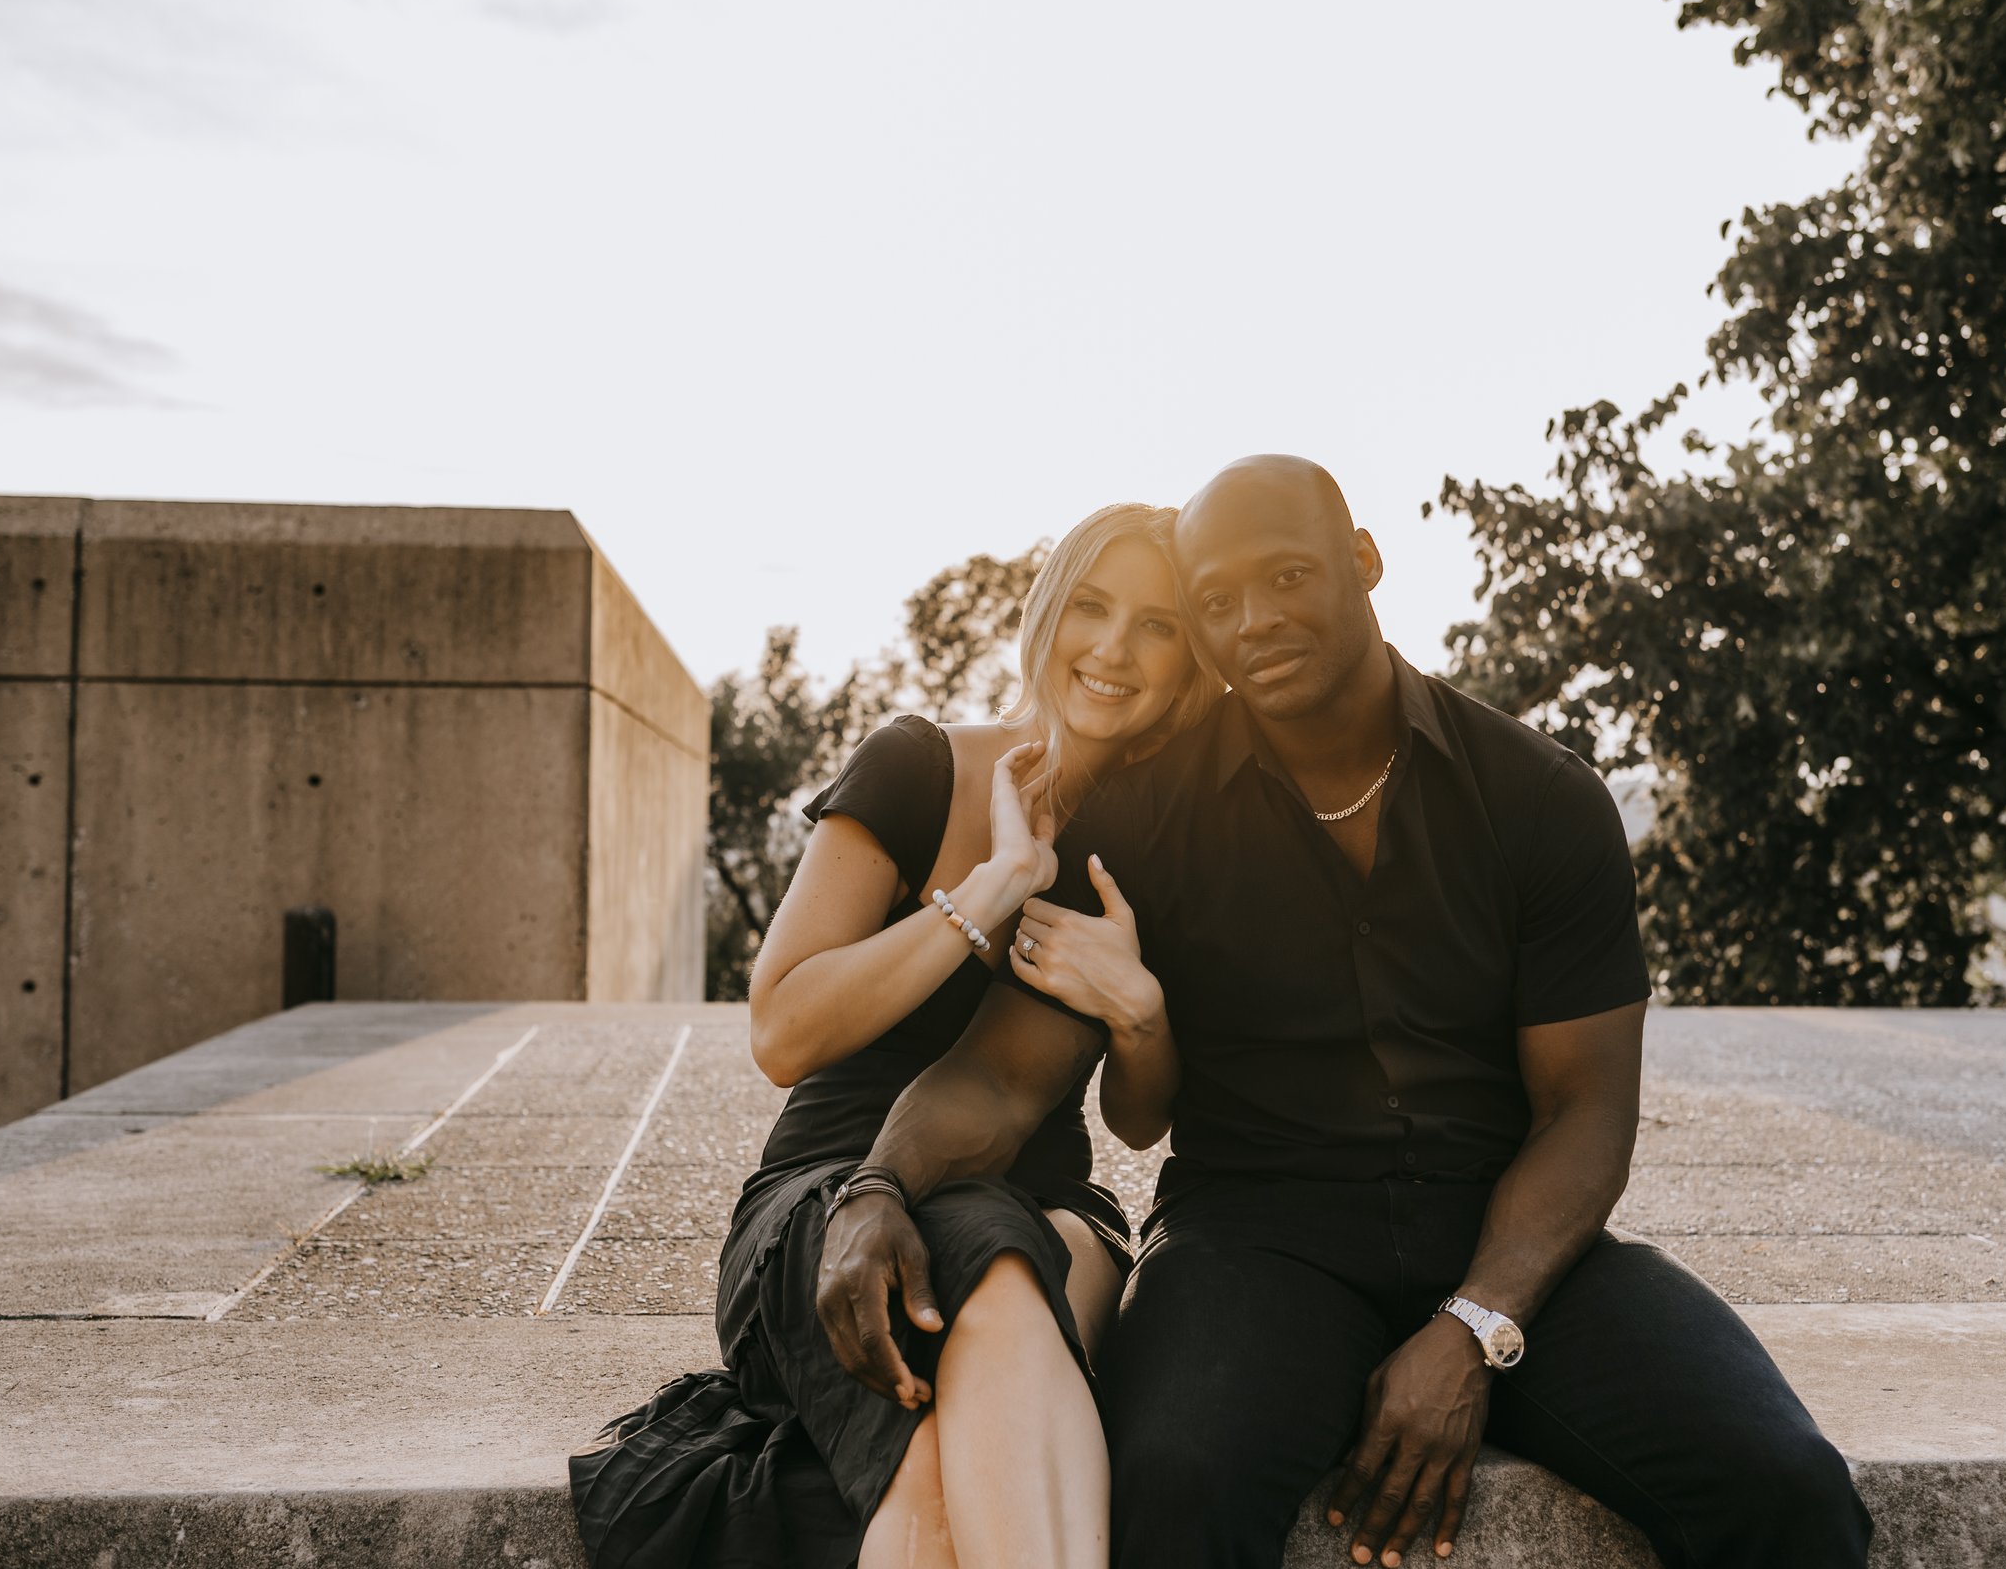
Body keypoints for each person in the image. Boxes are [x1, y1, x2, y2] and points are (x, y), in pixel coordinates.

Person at [815, 456, 1874, 1569]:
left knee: (1788, 1492)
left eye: (1285, 578)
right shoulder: (1143, 814)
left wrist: (1473, 1324)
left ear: (1361, 562)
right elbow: (1000, 1074)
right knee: (1170, 1492)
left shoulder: (1539, 796)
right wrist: (880, 1183)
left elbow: (1585, 1113)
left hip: (1512, 1239)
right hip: (1254, 1244)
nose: (1254, 621)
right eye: (1216, 602)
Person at [570, 502, 1222, 1569]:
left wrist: (1138, 1010)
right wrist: (989, 891)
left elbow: (1137, 1117)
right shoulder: (917, 764)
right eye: (1093, 608)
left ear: (1188, 658)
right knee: (933, 1474)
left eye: (1156, 625)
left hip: (1046, 1203)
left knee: (1006, 1273)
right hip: (826, 1186)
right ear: (1047, 615)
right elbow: (783, 1029)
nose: (1114, 648)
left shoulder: (1165, 833)